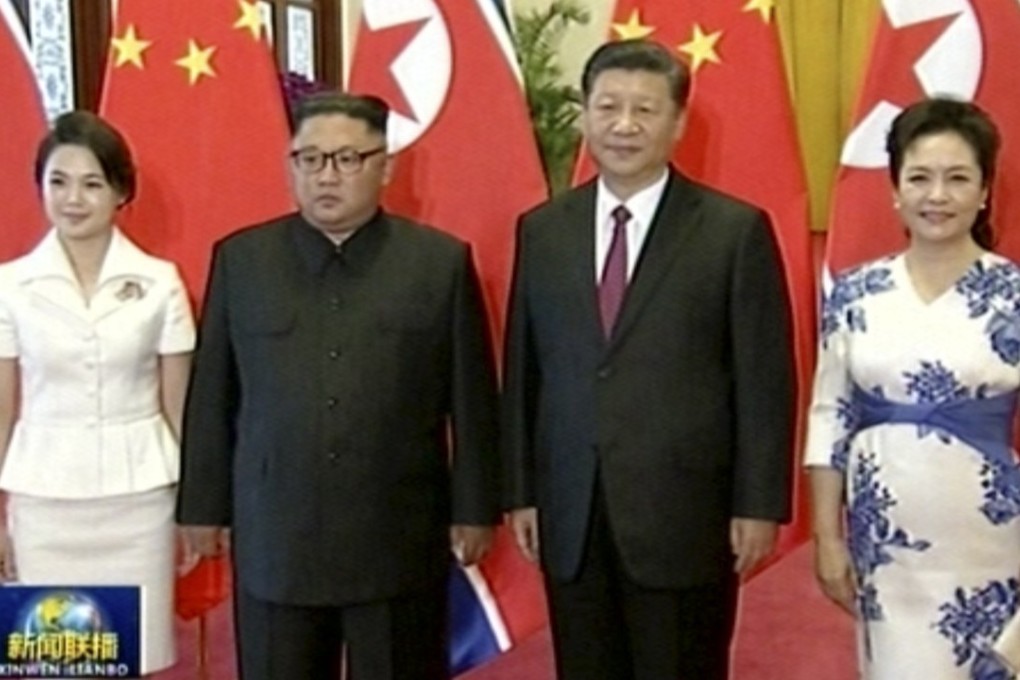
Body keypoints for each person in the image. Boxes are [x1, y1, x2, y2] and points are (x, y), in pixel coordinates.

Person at [176, 92, 500, 680]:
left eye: (348, 159)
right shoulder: (243, 261)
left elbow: (472, 400)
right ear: (291, 165)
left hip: (397, 533)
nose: (327, 176)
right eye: (310, 159)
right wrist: (201, 506)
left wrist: (475, 510)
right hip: (278, 535)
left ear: (387, 166)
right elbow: (213, 396)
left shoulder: (438, 263)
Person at [502, 39, 796, 680]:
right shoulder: (543, 230)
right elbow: (525, 371)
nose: (624, 124)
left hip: (686, 510)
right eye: (607, 106)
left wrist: (759, 503)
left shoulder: (732, 230)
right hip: (571, 506)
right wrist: (521, 489)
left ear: (679, 122)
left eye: (644, 109)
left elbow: (764, 378)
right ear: (584, 115)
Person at [807, 97, 1020, 678]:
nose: (937, 195)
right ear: (895, 189)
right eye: (920, 177)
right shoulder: (857, 293)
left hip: (993, 541)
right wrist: (828, 537)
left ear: (983, 192)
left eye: (958, 178)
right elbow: (828, 416)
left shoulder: (1012, 294)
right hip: (887, 547)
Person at [0, 111, 194, 674]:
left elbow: (177, 405)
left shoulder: (160, 282)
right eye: (58, 182)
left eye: (92, 183)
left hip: (140, 504)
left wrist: (192, 506)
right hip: (44, 503)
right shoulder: (10, 285)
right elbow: (4, 404)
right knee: (56, 663)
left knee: (132, 660)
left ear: (120, 191)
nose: (73, 199)